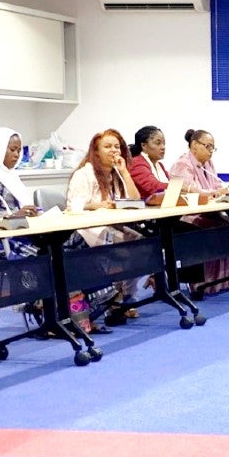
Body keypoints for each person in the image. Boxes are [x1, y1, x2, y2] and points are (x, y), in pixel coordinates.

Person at [66, 129, 144, 329]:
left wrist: (125, 172)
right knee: (126, 248)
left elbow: (135, 201)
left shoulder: (117, 173)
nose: (113, 151)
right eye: (107, 147)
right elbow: (74, 207)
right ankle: (115, 298)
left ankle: (126, 296)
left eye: (117, 147)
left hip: (111, 227)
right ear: (96, 151)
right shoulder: (84, 174)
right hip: (84, 232)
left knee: (141, 244)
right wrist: (99, 205)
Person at [169, 129, 229, 295]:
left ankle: (225, 279)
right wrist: (221, 192)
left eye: (213, 147)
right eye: (207, 146)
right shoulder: (182, 165)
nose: (211, 151)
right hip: (188, 216)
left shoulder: (208, 164)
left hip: (208, 212)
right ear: (194, 145)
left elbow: (216, 188)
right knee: (214, 229)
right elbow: (193, 193)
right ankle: (202, 282)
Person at [0, 127, 39, 258]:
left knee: (63, 244)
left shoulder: (12, 177)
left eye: (19, 150)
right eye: (12, 150)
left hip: (19, 230)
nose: (17, 155)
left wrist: (32, 212)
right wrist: (14, 216)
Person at [129, 125, 170, 198]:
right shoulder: (136, 163)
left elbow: (171, 183)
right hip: (143, 208)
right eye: (158, 143)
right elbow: (155, 187)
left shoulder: (160, 165)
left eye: (164, 143)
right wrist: (182, 187)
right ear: (144, 146)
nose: (163, 147)